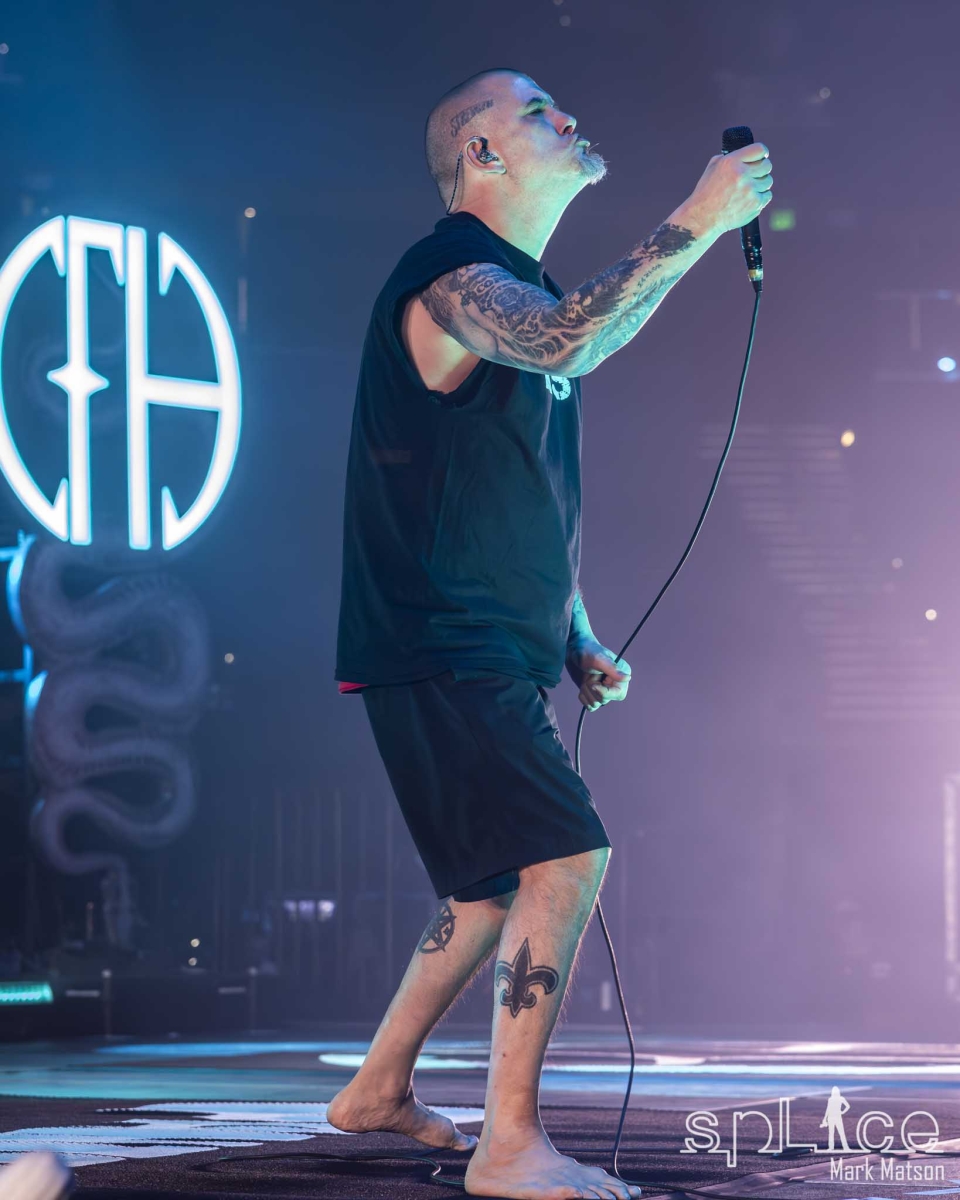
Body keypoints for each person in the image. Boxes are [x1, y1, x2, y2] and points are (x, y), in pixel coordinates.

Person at [329, 66, 773, 1200]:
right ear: (480, 154)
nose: (569, 116)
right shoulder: (449, 276)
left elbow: (518, 487)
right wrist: (701, 215)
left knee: (489, 889)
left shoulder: (516, 289)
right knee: (567, 857)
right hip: (441, 640)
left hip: (484, 644)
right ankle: (508, 1145)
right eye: (535, 111)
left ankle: (376, 1087)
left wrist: (572, 632)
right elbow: (570, 340)